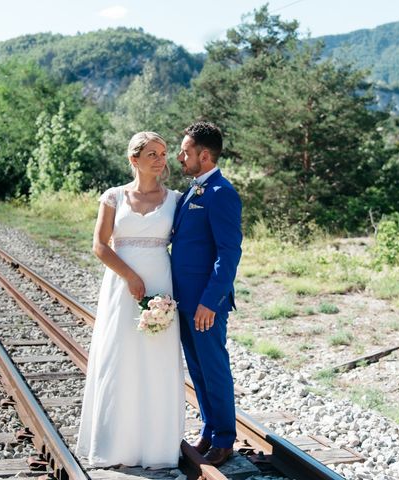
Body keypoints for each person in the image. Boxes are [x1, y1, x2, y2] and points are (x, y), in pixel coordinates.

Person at [76, 132, 185, 468]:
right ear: (134, 160)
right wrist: (130, 276)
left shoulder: (176, 200)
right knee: (117, 357)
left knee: (156, 360)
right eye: (152, 153)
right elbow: (100, 245)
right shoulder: (113, 197)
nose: (160, 159)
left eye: (163, 153)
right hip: (120, 287)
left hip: (161, 285)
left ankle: (157, 448)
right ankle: (115, 445)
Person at [171, 122, 243, 467]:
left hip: (204, 304)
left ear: (204, 154)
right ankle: (210, 429)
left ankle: (225, 439)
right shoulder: (191, 191)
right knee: (198, 370)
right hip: (183, 301)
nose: (180, 157)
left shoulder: (221, 192)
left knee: (214, 369)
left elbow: (229, 253)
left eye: (185, 151)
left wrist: (209, 302)